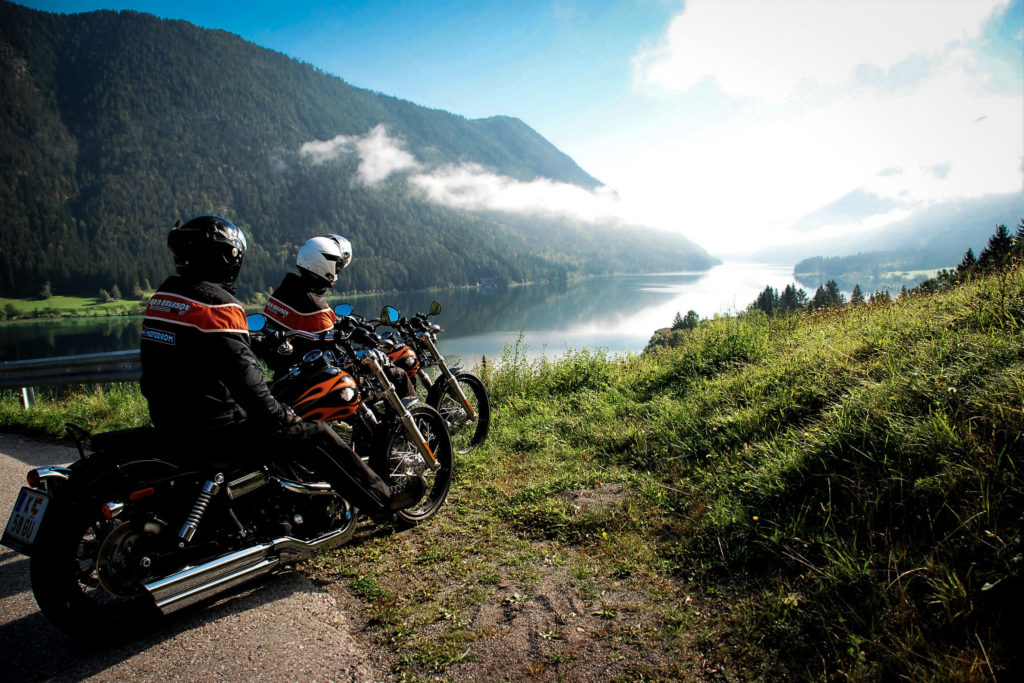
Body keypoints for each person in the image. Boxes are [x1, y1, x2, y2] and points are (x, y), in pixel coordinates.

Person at [139, 215, 422, 516]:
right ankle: (381, 502)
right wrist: (281, 416)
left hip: (171, 421)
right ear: (226, 258)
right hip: (215, 430)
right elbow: (246, 380)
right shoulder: (218, 307)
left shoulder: (163, 299)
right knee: (316, 434)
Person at [260, 234, 416, 399]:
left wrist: (340, 323)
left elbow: (312, 327)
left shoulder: (285, 291)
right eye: (338, 265)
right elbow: (334, 344)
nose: (338, 271)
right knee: (398, 376)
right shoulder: (314, 304)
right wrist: (357, 334)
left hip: (289, 371)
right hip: (317, 374)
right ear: (326, 265)